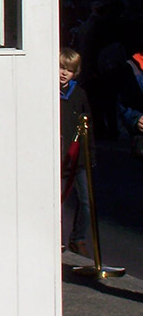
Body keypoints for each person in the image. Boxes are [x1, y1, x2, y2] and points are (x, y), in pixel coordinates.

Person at [60, 48, 93, 258]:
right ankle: (58, 239)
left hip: (78, 157)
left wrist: (91, 155)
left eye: (69, 70)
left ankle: (78, 237)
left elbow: (88, 125)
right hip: (59, 156)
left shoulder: (79, 94)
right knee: (59, 200)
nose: (64, 73)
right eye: (61, 67)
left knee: (86, 201)